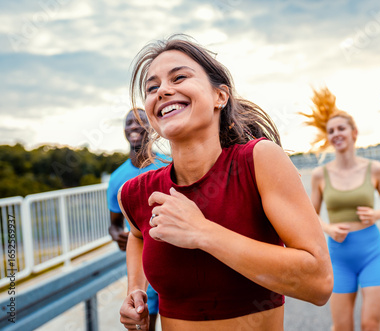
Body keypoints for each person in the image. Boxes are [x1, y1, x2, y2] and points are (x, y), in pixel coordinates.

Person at [117, 34, 333, 331]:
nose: (163, 90)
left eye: (179, 77)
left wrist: (203, 233)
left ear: (220, 96)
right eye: (152, 87)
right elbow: (138, 235)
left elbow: (319, 283)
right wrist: (135, 289)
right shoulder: (135, 192)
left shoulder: (259, 161)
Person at [301, 87, 380, 331]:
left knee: (369, 324)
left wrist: (376, 214)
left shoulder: (374, 168)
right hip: (339, 256)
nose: (336, 134)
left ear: (354, 133)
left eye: (341, 128)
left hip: (372, 252)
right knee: (342, 327)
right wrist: (329, 228)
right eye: (331, 131)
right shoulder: (320, 175)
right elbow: (310, 216)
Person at [107, 108, 166, 331]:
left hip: (176, 258)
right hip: (142, 265)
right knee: (145, 322)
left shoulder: (170, 164)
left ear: (151, 127)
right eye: (129, 122)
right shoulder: (117, 178)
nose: (133, 126)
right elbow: (113, 225)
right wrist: (118, 236)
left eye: (140, 121)